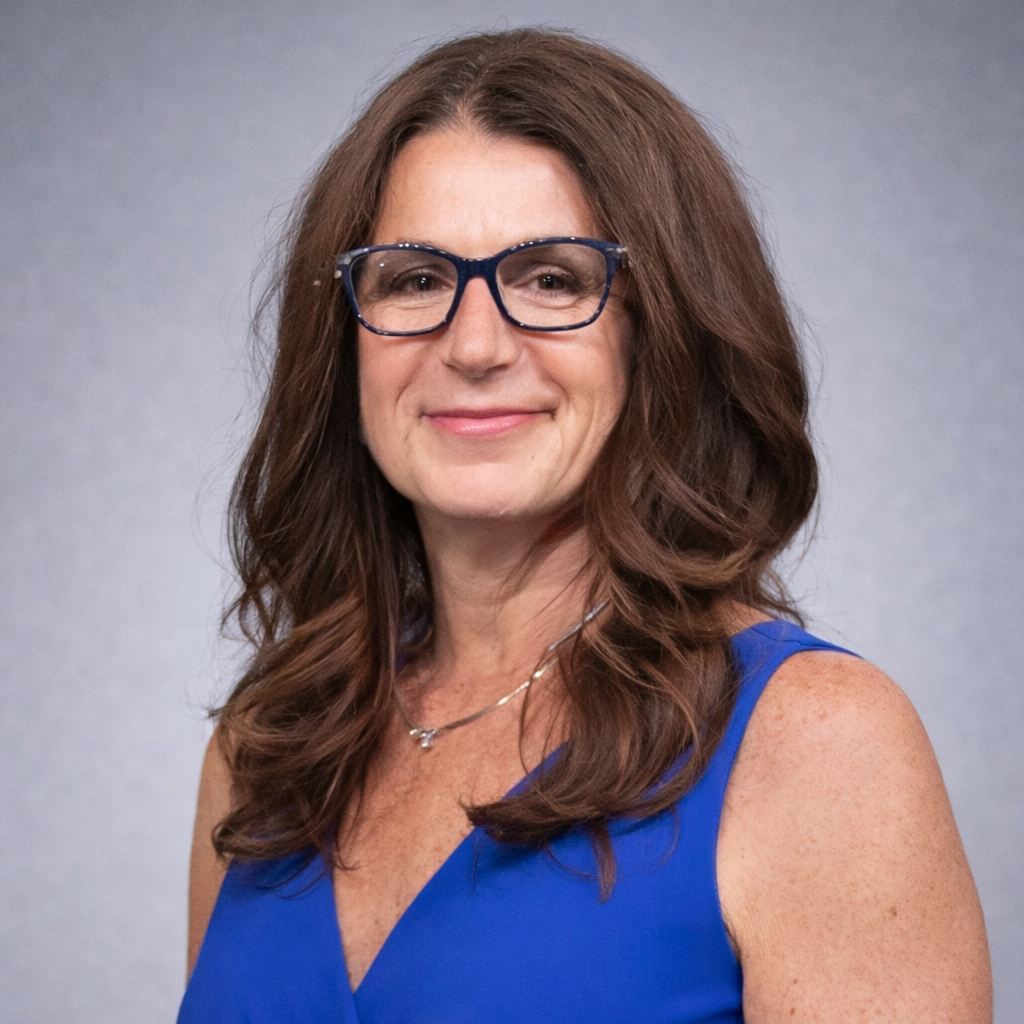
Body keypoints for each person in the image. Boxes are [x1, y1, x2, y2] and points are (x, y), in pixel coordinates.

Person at [178, 28, 992, 1024]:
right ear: (345, 337)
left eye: (552, 278)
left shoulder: (815, 743)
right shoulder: (269, 747)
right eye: (414, 279)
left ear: (666, 331)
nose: (474, 343)